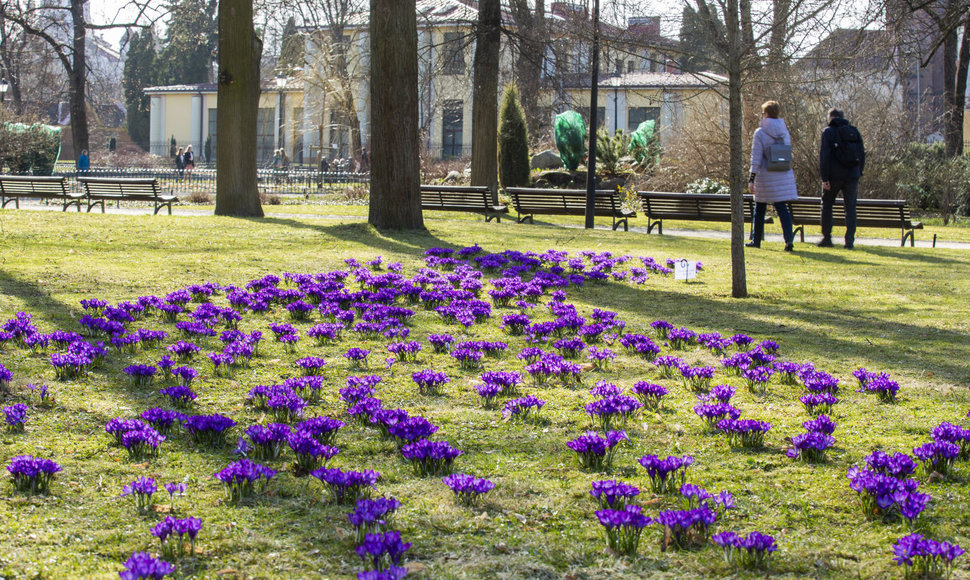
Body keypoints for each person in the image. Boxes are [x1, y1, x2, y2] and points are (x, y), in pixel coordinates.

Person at [747, 100, 798, 252]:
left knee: (760, 208)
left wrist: (752, 178)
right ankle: (789, 240)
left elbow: (756, 157)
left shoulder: (760, 133)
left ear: (766, 114)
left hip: (765, 176)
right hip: (782, 173)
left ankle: (756, 240)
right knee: (782, 209)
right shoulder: (784, 131)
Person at [818, 108, 865, 249]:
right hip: (852, 175)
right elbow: (862, 154)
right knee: (850, 207)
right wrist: (859, 172)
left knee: (827, 205)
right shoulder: (854, 131)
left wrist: (824, 177)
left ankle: (827, 238)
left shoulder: (828, 132)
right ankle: (849, 240)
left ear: (831, 118)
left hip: (834, 176)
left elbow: (824, 156)